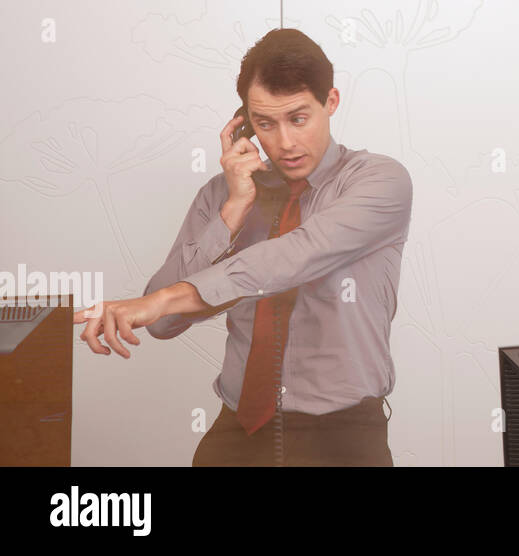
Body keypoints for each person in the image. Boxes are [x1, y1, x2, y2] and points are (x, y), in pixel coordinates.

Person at [74, 28, 414, 466]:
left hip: (342, 436)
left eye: (298, 118)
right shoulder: (223, 194)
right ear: (245, 125)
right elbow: (162, 325)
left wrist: (159, 300)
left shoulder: (378, 181)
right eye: (266, 124)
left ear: (330, 102)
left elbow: (293, 256)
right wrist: (234, 209)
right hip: (239, 427)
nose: (285, 143)